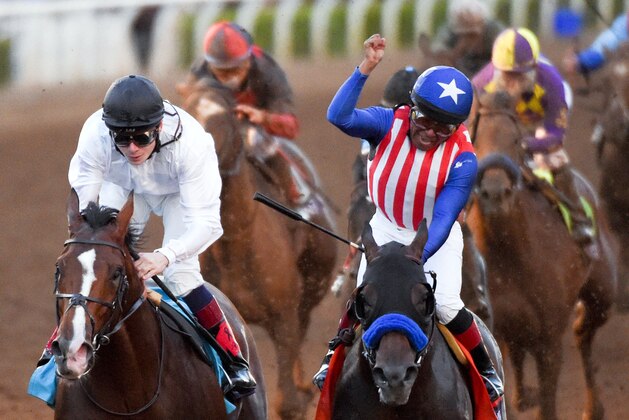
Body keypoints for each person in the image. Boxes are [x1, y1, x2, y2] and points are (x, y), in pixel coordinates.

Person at [313, 34, 504, 413]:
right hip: (385, 228)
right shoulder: (388, 122)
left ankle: (485, 369)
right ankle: (334, 352)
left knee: (446, 303)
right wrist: (365, 68)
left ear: (457, 129)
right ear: (410, 107)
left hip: (433, 238)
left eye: (443, 128)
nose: (429, 132)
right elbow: (339, 116)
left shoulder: (464, 160)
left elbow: (446, 217)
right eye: (424, 119)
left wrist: (414, 257)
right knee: (366, 299)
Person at [37, 74, 256, 399]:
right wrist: (98, 238)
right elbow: (86, 201)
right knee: (94, 259)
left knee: (182, 275)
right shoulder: (95, 134)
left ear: (158, 127)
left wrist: (165, 255)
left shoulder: (192, 144)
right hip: (122, 185)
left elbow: (208, 223)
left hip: (178, 195)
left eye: (140, 138)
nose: (132, 148)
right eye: (122, 140)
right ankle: (57, 345)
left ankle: (232, 359)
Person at [472, 27, 596, 250]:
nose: (512, 81)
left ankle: (579, 218)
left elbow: (555, 136)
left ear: (533, 68)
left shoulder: (552, 82)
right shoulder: (481, 84)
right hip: (505, 126)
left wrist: (528, 145)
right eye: (506, 74)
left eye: (519, 75)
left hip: (539, 123)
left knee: (552, 158)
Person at [178, 20, 303, 206]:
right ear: (210, 65)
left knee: (261, 143)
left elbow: (291, 127)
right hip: (219, 126)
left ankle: (293, 199)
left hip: (257, 128)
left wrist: (264, 117)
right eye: (222, 72)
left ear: (248, 59)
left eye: (235, 69)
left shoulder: (268, 72)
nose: (230, 78)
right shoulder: (200, 71)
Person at [426, 0, 504, 77]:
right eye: (465, 33)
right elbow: (438, 56)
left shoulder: (493, 31)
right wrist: (457, 51)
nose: (470, 39)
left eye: (473, 34)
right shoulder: (448, 33)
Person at [563, 10, 628, 75]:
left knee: (598, 50)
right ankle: (576, 61)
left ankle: (576, 60)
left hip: (611, 37)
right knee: (599, 52)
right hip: (613, 41)